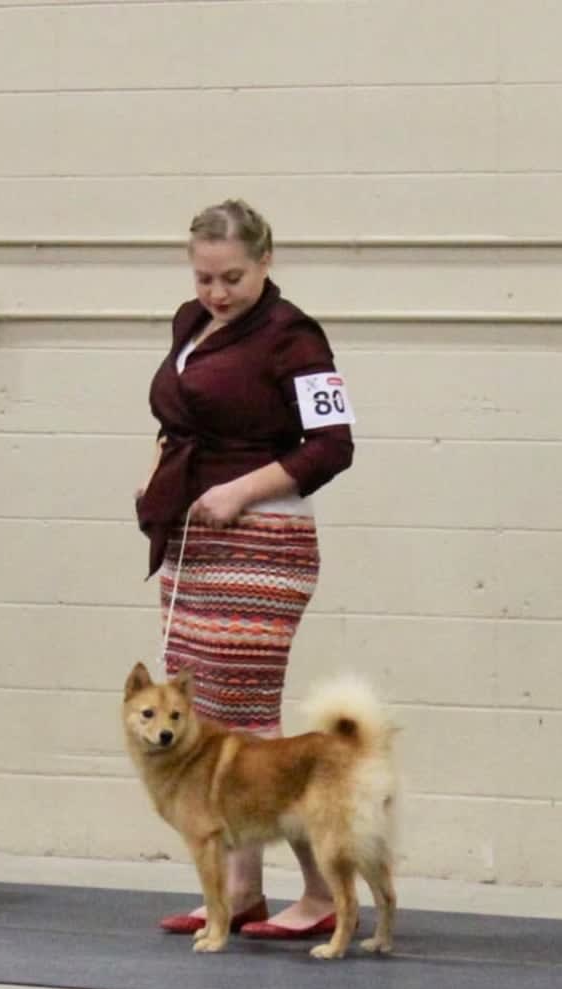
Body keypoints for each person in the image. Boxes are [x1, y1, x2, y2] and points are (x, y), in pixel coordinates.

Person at [135, 199, 355, 938]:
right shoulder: (189, 324)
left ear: (266, 262)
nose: (217, 292)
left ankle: (322, 893)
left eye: (232, 277)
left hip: (264, 541)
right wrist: (158, 482)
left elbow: (331, 446)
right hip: (196, 541)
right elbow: (180, 423)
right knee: (208, 716)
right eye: (204, 278)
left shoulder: (294, 337)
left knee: (247, 724)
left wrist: (241, 488)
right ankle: (238, 889)